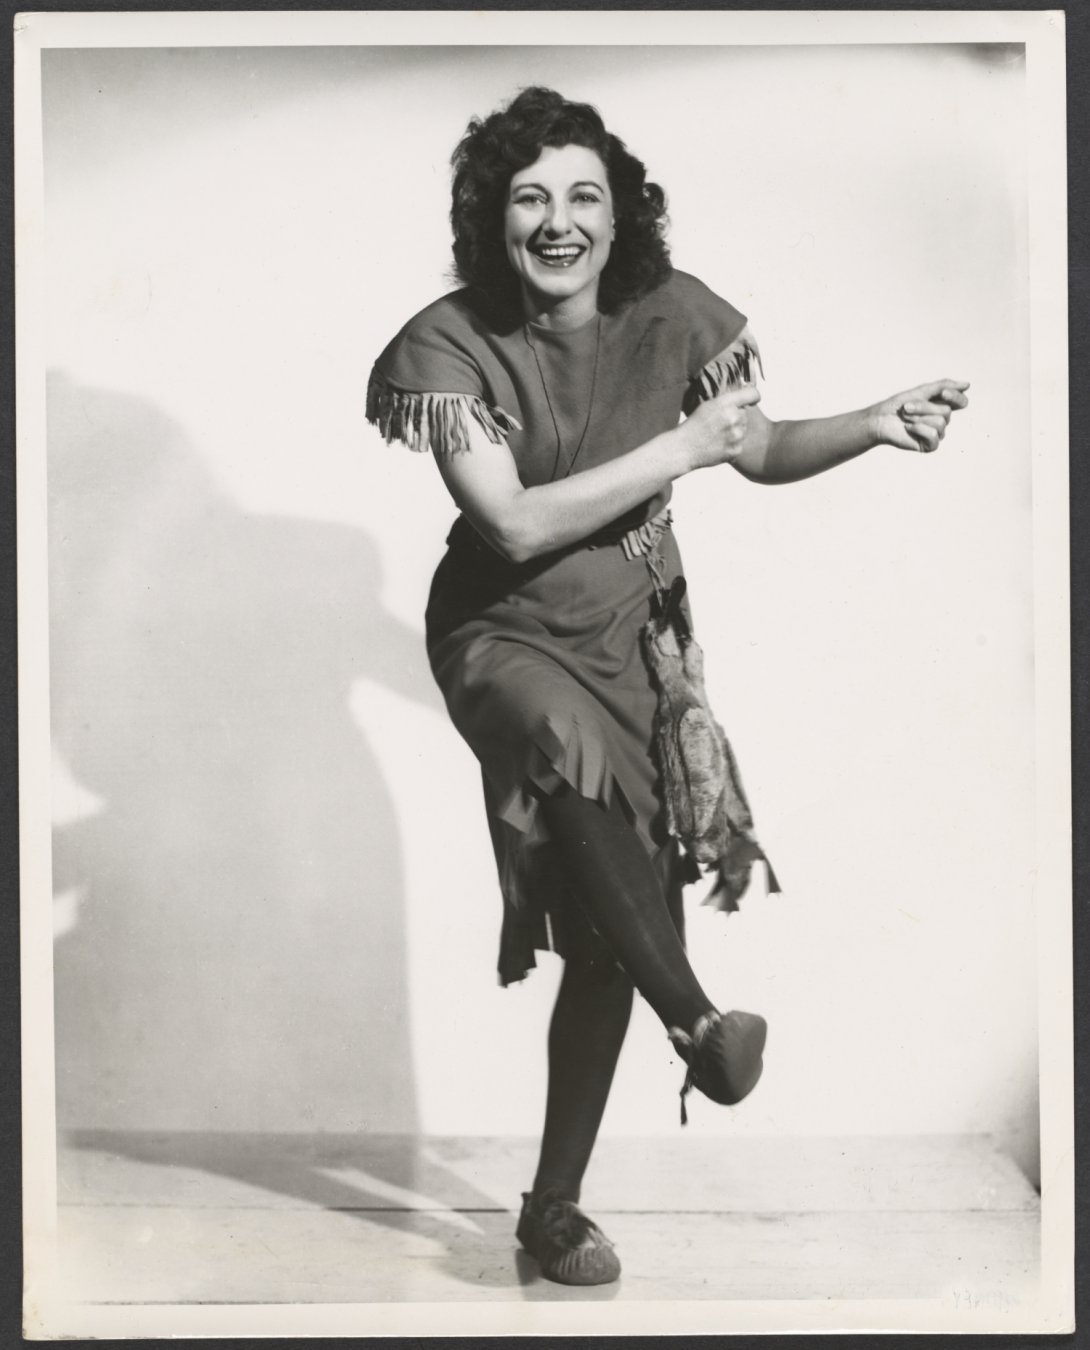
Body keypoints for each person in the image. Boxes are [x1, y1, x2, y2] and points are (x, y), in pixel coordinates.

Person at [367, 86, 968, 1287]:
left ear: (615, 212)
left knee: (607, 938)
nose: (557, 221)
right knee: (552, 744)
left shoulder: (668, 314)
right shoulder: (443, 345)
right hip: (503, 632)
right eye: (528, 197)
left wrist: (867, 421)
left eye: (581, 195)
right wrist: (675, 453)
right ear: (493, 218)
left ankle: (550, 1213)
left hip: (637, 641)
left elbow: (755, 446)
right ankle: (698, 1023)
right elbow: (518, 525)